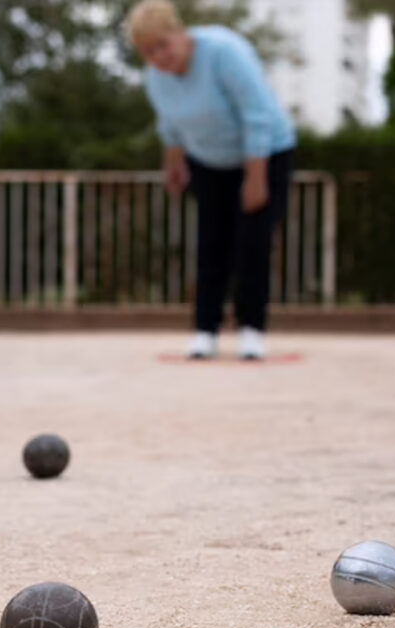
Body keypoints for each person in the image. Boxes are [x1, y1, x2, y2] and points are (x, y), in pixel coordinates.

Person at [129, 0, 296, 360]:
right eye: (148, 52)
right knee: (211, 244)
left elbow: (256, 115)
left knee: (252, 243)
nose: (158, 56)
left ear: (180, 32)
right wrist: (173, 164)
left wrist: (255, 178)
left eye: (163, 45)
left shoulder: (224, 52)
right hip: (208, 161)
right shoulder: (156, 77)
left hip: (265, 153)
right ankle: (205, 330)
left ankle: (252, 330)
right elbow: (170, 123)